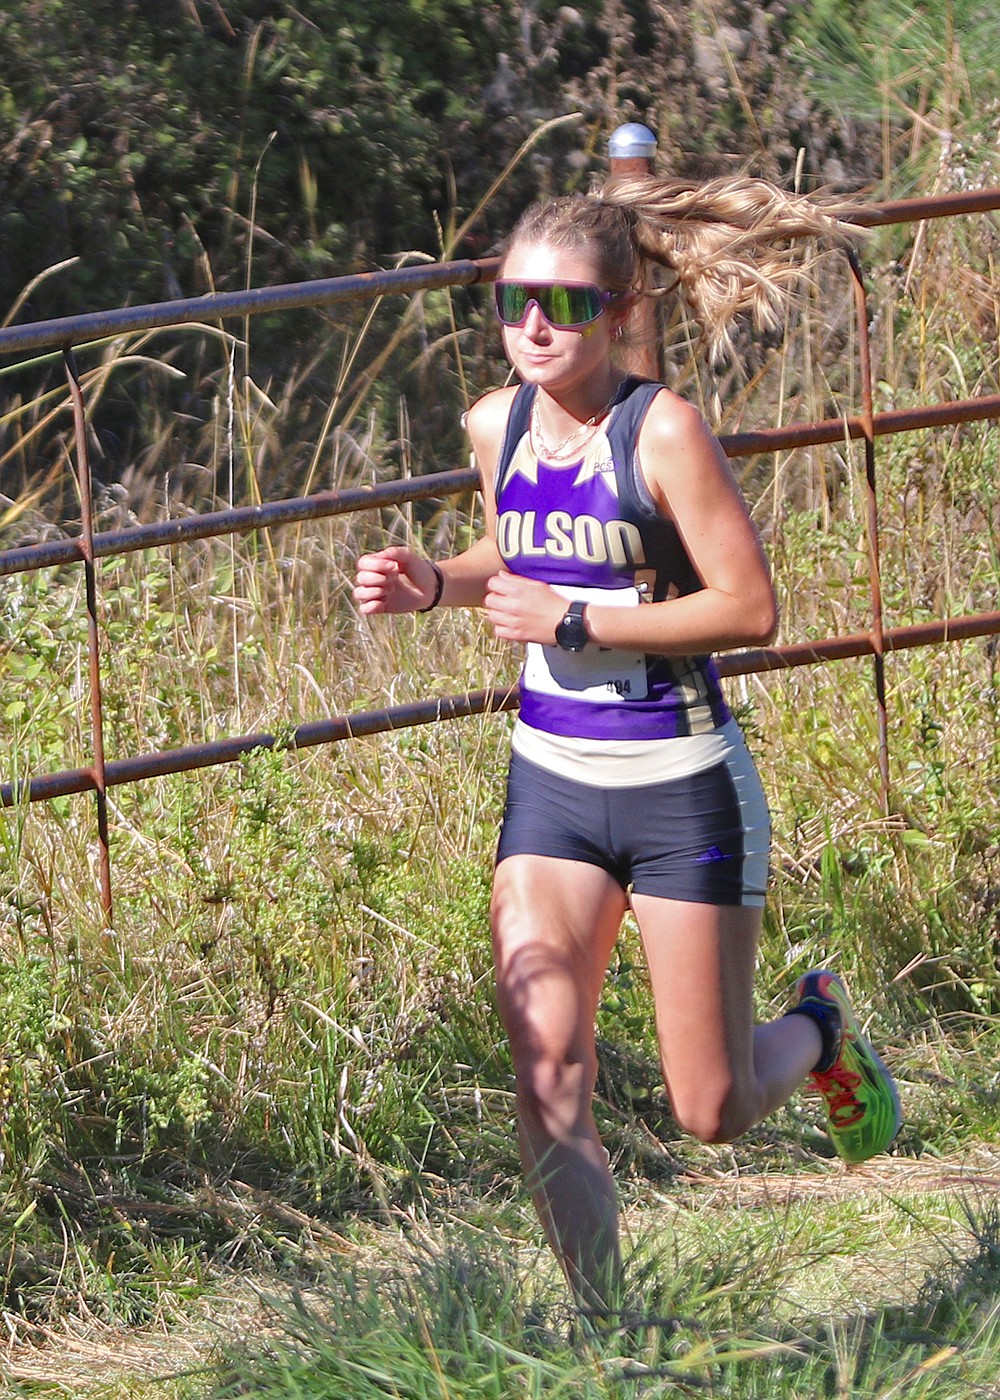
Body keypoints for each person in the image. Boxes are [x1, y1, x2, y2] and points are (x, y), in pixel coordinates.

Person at [353, 172, 901, 1315]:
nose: (536, 327)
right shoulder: (492, 423)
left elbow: (749, 609)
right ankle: (611, 1339)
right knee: (548, 1069)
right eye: (513, 303)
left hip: (678, 787)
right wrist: (431, 584)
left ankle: (818, 1025)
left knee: (711, 1105)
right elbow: (517, 561)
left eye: (566, 303)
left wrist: (579, 622)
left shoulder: (663, 433)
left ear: (620, 305)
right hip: (551, 781)